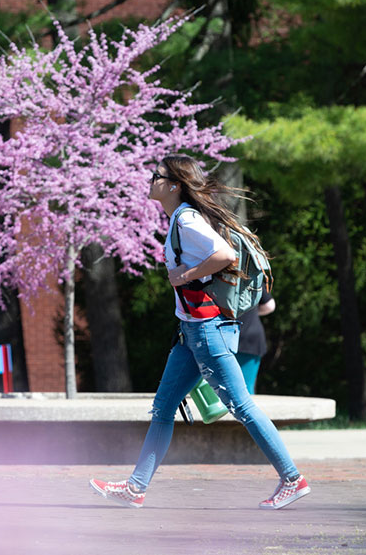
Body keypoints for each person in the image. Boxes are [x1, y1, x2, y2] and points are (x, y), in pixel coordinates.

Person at [90, 156, 310, 510]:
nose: (151, 180)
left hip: (208, 331)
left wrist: (186, 275)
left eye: (157, 176)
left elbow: (223, 254)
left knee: (242, 406)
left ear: (175, 185)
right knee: (163, 407)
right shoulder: (181, 218)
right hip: (191, 333)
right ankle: (135, 489)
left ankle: (292, 478)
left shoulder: (187, 218)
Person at [235, 290, 276, 394]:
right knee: (246, 388)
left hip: (225, 336)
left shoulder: (215, 276)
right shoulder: (254, 277)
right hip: (252, 336)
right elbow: (270, 306)